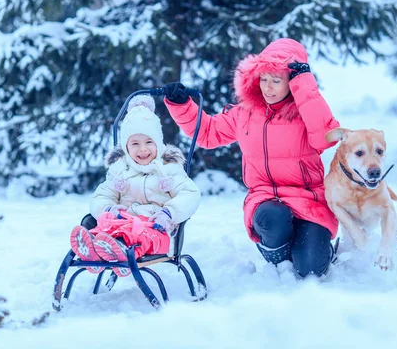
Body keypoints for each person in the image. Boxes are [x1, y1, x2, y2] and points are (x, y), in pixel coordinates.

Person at [163, 38, 340, 277]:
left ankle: (311, 249)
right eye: (263, 79)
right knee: (273, 220)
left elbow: (325, 138)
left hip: (310, 201)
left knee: (310, 269)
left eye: (276, 80)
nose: (267, 87)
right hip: (267, 200)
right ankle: (281, 254)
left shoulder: (307, 112)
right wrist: (182, 105)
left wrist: (306, 88)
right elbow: (207, 133)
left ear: (293, 81)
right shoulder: (245, 112)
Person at [70, 95, 201, 276]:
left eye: (149, 142)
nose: (143, 149)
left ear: (158, 142)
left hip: (157, 228)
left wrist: (169, 213)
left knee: (140, 234)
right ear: (126, 147)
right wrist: (108, 209)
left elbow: (190, 194)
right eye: (135, 144)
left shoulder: (168, 168)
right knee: (103, 225)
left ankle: (120, 251)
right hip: (123, 222)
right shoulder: (120, 170)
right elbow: (100, 196)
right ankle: (94, 249)